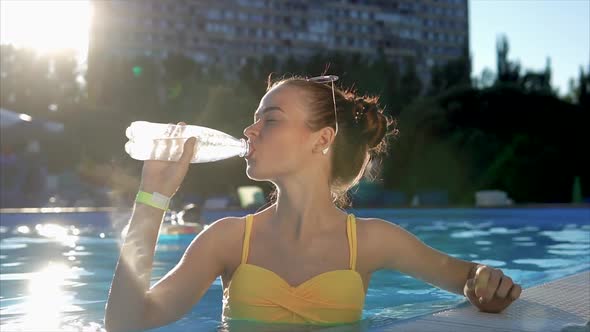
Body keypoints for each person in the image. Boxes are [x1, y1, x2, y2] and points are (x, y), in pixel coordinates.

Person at [104, 75, 522, 332]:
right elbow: (125, 322)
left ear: (322, 139)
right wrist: (154, 196)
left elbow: (466, 276)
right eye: (255, 118)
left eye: (271, 119)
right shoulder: (227, 240)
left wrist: (487, 283)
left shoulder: (373, 241)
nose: (250, 130)